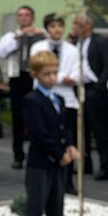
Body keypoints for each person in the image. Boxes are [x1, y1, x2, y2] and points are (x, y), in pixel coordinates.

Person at [20, 51, 79, 216]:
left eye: (54, 73)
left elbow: (63, 127)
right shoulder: (32, 100)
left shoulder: (60, 99)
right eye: (46, 74)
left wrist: (70, 146)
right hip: (40, 162)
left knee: (57, 204)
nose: (52, 78)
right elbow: (38, 134)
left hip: (58, 162)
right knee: (36, 205)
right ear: (35, 75)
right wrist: (58, 153)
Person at [30, 14, 79, 190]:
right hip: (45, 99)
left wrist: (69, 78)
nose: (57, 29)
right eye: (52, 26)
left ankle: (67, 180)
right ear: (47, 29)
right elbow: (37, 71)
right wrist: (61, 78)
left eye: (60, 26)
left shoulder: (73, 49)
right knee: (48, 137)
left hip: (67, 100)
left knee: (68, 137)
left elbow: (75, 74)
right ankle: (49, 176)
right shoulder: (37, 47)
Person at [0, 6, 47, 168]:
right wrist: (18, 38)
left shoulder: (41, 35)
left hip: (34, 78)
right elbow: (1, 53)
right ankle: (18, 155)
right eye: (20, 15)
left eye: (27, 15)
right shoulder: (11, 36)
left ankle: (36, 151)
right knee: (17, 117)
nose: (24, 18)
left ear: (32, 17)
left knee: (36, 115)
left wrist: (42, 34)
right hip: (17, 78)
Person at [71, 13, 108, 180]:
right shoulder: (75, 43)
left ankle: (105, 167)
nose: (73, 27)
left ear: (87, 25)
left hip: (96, 91)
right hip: (79, 90)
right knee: (82, 131)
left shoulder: (102, 42)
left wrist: (99, 88)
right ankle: (85, 163)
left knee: (101, 132)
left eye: (76, 23)